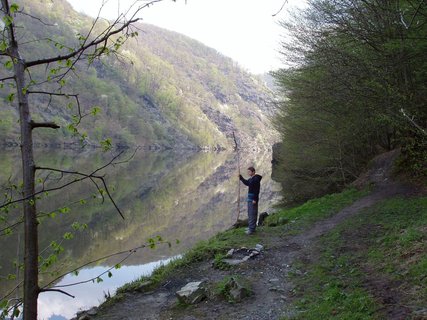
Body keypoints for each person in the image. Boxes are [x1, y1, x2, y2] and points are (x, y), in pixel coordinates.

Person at [239, 167, 262, 235]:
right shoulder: (252, 179)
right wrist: (241, 178)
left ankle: (251, 230)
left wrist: (255, 199)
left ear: (253, 172)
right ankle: (251, 227)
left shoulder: (256, 179)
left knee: (252, 213)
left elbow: (256, 190)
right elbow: (247, 183)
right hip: (250, 198)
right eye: (248, 172)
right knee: (250, 213)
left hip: (253, 199)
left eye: (249, 172)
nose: (248, 173)